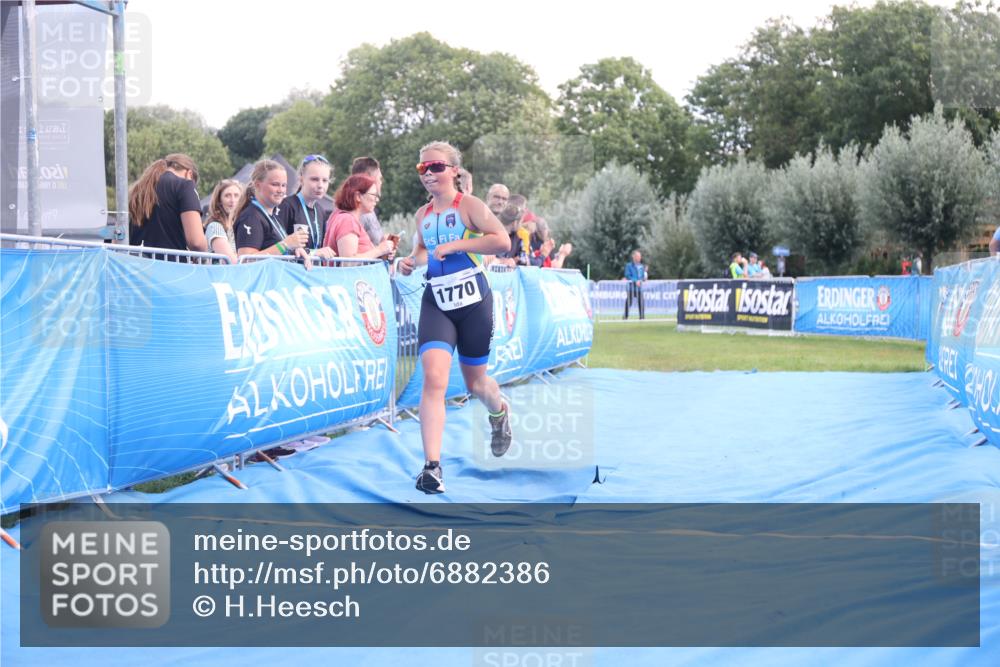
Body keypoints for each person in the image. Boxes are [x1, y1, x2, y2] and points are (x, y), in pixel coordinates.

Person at [398, 141, 513, 494]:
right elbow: (421, 250)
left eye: (435, 167)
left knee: (478, 384)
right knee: (434, 378)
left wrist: (459, 245)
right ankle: (432, 467)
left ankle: (499, 413)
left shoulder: (470, 207)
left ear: (453, 171)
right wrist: (408, 261)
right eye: (422, 169)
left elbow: (502, 241)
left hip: (474, 301)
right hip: (437, 300)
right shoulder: (423, 215)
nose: (428, 174)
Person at [127, 153, 207, 253]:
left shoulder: (139, 189)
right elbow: (197, 243)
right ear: (189, 174)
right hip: (169, 265)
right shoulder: (185, 185)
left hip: (134, 263)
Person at [234, 159, 310, 261]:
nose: (281, 190)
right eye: (275, 184)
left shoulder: (272, 215)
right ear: (257, 185)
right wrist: (286, 244)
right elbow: (246, 260)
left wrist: (294, 250)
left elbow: (278, 250)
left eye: (283, 185)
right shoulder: (251, 217)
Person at [322, 174, 396, 260]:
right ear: (358, 196)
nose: (377, 199)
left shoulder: (341, 216)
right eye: (374, 195)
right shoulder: (348, 220)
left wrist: (383, 250)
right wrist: (380, 250)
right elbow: (348, 262)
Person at [278, 154, 334, 254]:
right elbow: (277, 247)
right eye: (314, 179)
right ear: (301, 179)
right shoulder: (286, 206)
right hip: (289, 268)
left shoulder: (320, 211)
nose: (320, 185)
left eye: (325, 180)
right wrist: (314, 253)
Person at [203, 178, 242, 264]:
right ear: (219, 201)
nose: (232, 200)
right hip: (219, 276)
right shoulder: (215, 226)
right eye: (227, 195)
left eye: (236, 195)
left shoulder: (240, 226)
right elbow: (231, 261)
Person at [351, 156, 385, 245]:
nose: (382, 182)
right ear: (370, 178)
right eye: (380, 178)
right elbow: (350, 256)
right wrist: (381, 250)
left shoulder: (368, 209)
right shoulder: (356, 211)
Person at [623, 249, 648, 320]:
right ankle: (625, 317)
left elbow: (643, 276)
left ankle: (642, 317)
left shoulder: (641, 266)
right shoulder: (629, 266)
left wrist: (644, 278)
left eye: (640, 256)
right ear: (633, 257)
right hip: (631, 288)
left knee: (641, 302)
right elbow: (627, 275)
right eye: (638, 256)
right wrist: (635, 281)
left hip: (639, 288)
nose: (639, 258)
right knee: (628, 303)